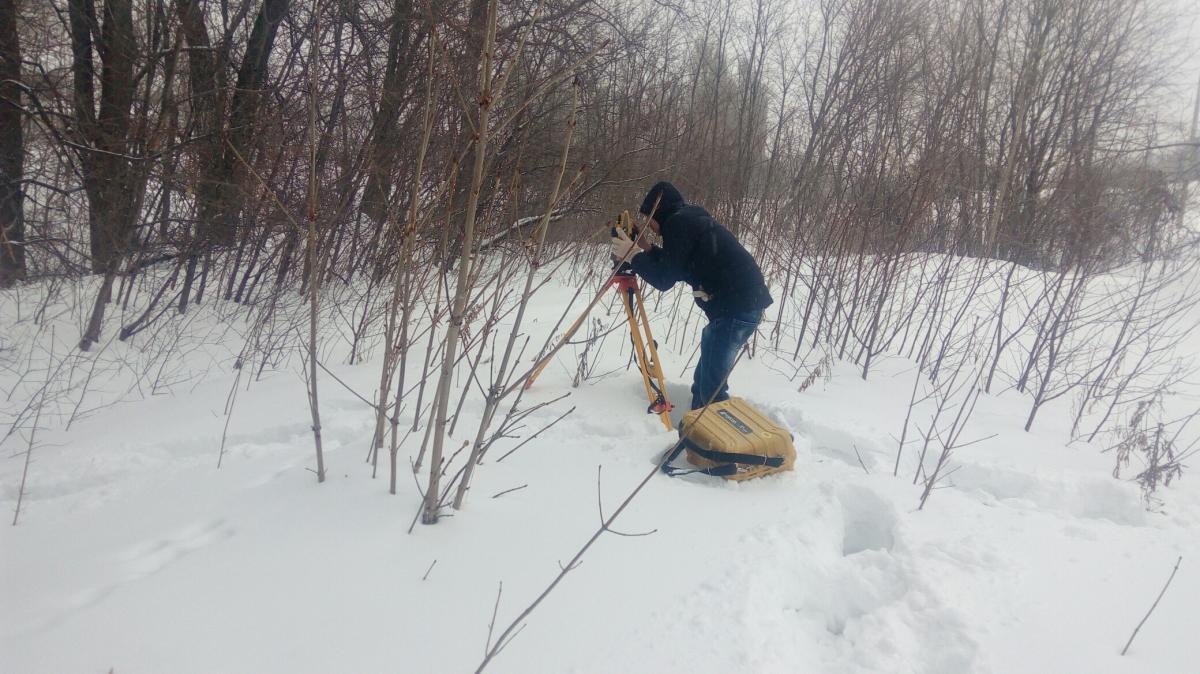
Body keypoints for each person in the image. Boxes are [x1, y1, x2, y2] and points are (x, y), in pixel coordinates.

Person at [611, 181, 773, 410]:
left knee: (712, 388)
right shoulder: (688, 218)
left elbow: (664, 279)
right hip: (739, 304)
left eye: (650, 219)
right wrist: (645, 249)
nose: (651, 226)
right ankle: (698, 427)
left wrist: (633, 255)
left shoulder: (677, 224)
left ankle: (712, 437)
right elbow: (680, 266)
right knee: (704, 380)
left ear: (659, 211)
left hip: (737, 307)